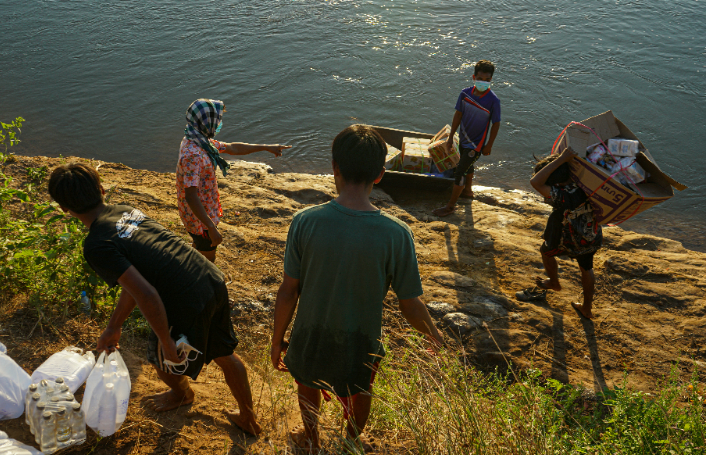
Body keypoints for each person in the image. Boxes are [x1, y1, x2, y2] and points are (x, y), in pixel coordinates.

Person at [48, 163, 262, 435]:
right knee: (224, 353)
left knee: (163, 360)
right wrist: (114, 326)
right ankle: (247, 417)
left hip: (184, 297)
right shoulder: (124, 210)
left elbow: (146, 294)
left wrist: (166, 341)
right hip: (209, 277)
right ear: (101, 189)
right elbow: (135, 285)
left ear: (63, 208)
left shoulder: (97, 244)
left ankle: (182, 395)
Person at [271, 125, 444, 453]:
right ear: (380, 174)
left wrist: (277, 339)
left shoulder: (305, 221)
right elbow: (410, 304)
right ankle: (350, 442)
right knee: (360, 389)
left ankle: (311, 438)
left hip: (309, 333)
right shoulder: (396, 234)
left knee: (307, 382)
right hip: (361, 339)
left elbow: (288, 291)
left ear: (334, 167)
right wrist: (433, 335)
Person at [177, 98, 291, 262]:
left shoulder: (198, 139)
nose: (218, 124)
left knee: (199, 249)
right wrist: (210, 227)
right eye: (217, 120)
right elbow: (191, 195)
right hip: (199, 220)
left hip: (203, 213)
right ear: (206, 122)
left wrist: (266, 147)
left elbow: (232, 148)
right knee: (207, 261)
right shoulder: (193, 154)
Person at [516, 147, 603, 319]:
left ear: (554, 183)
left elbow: (536, 182)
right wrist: (564, 160)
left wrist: (562, 158)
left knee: (546, 252)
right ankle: (587, 308)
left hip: (567, 238)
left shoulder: (562, 195)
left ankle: (554, 282)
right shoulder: (586, 185)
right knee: (587, 268)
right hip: (591, 236)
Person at [433, 60, 502, 217]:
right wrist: (451, 137)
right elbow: (458, 115)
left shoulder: (493, 100)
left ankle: (450, 206)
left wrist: (489, 145)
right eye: (480, 78)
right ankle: (468, 191)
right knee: (467, 166)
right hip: (463, 139)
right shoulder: (465, 94)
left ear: (491, 80)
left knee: (459, 172)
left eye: (487, 80)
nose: (483, 82)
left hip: (476, 145)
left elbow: (496, 124)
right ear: (474, 77)